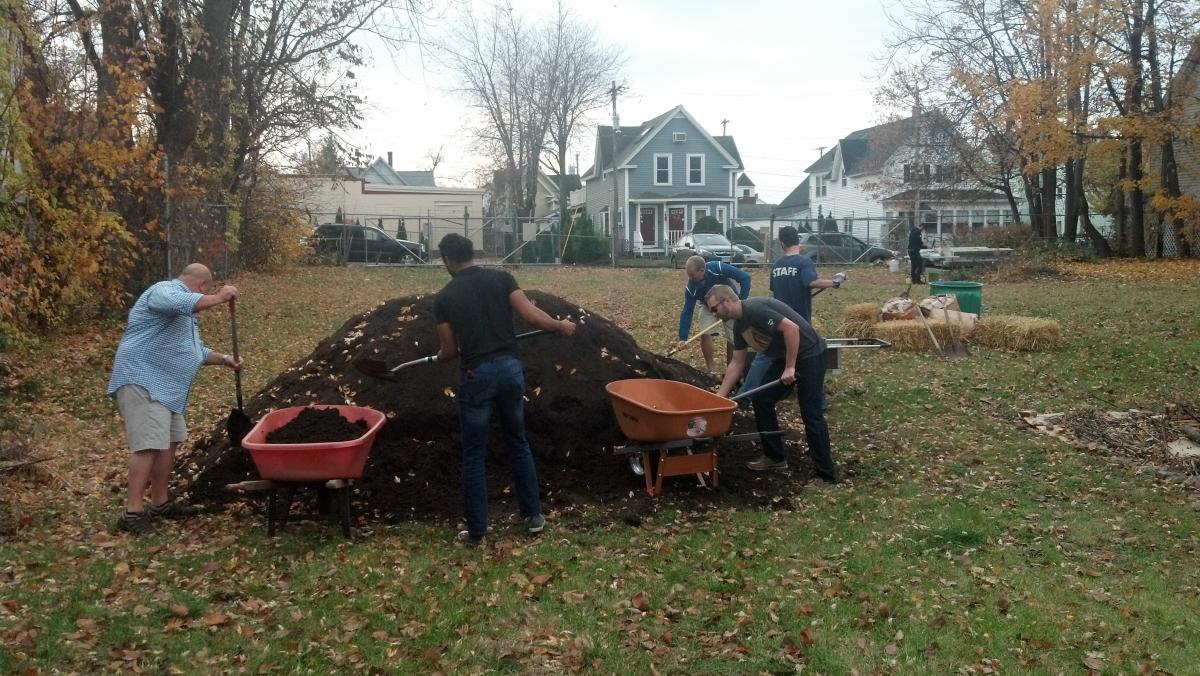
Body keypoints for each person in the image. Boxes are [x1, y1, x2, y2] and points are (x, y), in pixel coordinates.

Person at [432, 233, 576, 544]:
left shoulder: (444, 299)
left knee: (473, 453)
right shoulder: (502, 278)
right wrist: (560, 325)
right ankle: (534, 515)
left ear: (447, 259)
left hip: (477, 375)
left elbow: (450, 351)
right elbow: (531, 315)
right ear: (472, 252)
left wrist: (439, 357)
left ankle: (478, 530)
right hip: (510, 370)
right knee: (518, 441)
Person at [107, 263, 243, 536]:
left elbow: (194, 351)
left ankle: (160, 503)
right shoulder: (164, 291)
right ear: (202, 285)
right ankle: (132, 513)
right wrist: (219, 298)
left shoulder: (183, 318)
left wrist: (226, 360)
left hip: (167, 390)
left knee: (170, 440)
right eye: (207, 290)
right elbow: (181, 302)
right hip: (142, 380)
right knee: (147, 445)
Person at [706, 284, 836, 485]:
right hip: (783, 356)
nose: (713, 314)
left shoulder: (756, 309)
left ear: (727, 300)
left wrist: (790, 367)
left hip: (809, 354)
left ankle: (826, 475)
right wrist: (719, 398)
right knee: (761, 400)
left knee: (811, 413)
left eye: (714, 309)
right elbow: (737, 362)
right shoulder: (739, 325)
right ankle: (775, 457)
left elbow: (792, 329)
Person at [740, 226, 845, 395]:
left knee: (765, 356)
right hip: (799, 323)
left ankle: (745, 394)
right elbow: (811, 282)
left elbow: (776, 290)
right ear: (798, 240)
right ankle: (817, 399)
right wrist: (835, 282)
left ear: (782, 243)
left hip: (776, 321)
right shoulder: (804, 262)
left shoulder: (777, 266)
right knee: (812, 354)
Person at [676, 255, 751, 374]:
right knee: (705, 332)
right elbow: (687, 311)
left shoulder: (717, 268)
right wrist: (683, 337)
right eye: (688, 275)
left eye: (692, 275)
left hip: (728, 303)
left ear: (702, 270)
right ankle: (711, 371)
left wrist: (741, 301)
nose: (690, 278)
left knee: (734, 337)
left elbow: (745, 278)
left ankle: (733, 369)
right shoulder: (691, 287)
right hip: (708, 306)